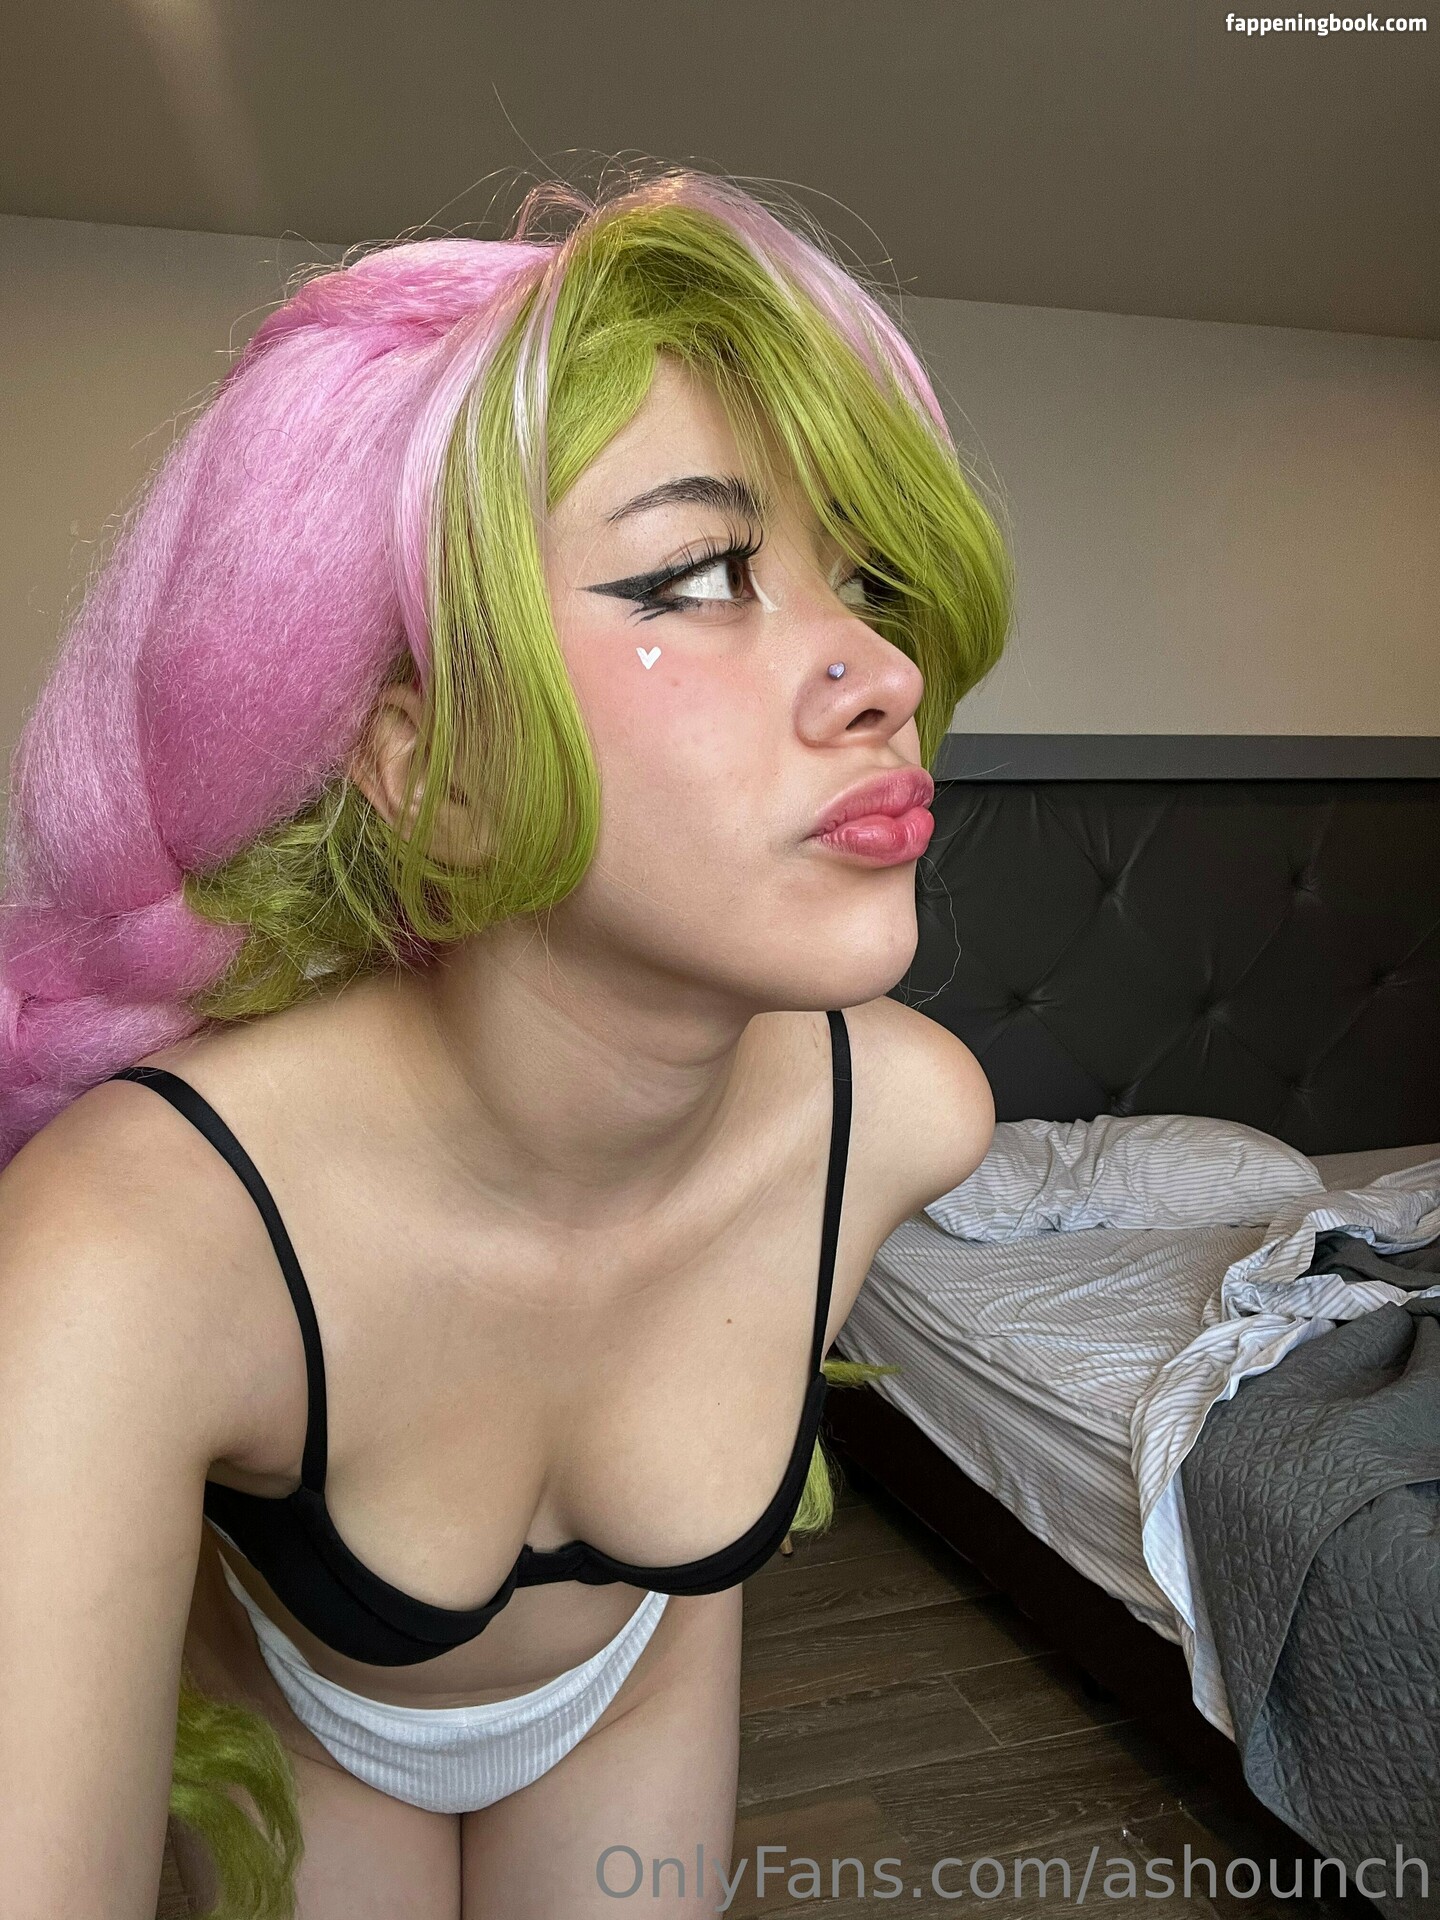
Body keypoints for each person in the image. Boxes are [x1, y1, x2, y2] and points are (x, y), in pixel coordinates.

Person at [0, 167, 1009, 1919]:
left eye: (866, 578)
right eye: (700, 574)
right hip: (309, 1718)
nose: (882, 670)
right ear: (432, 769)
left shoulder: (911, 1118)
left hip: (639, 1691)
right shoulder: (134, 1242)